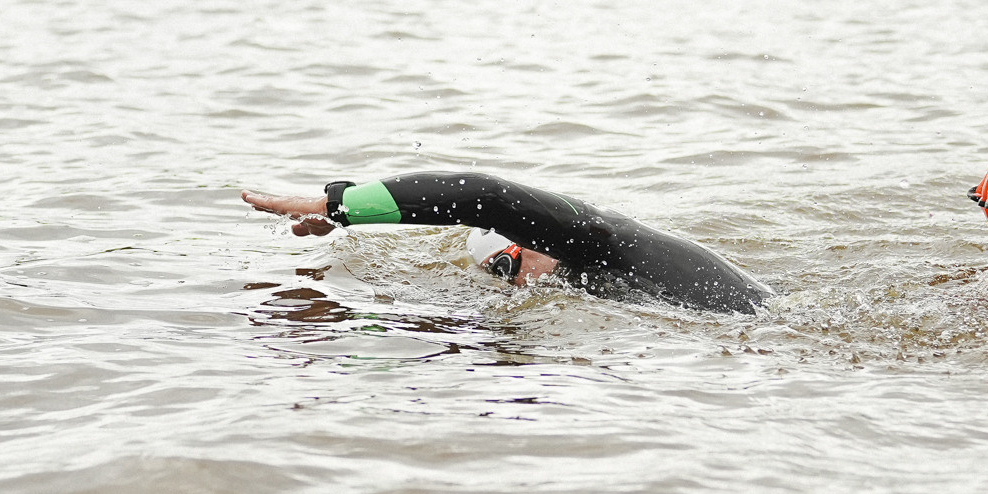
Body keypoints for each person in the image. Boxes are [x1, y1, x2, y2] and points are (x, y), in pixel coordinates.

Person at [241, 171, 772, 315]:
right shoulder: (600, 281)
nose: (512, 282)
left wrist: (339, 205)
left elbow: (485, 195)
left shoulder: (602, 242)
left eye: (505, 265)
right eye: (499, 274)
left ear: (534, 239)